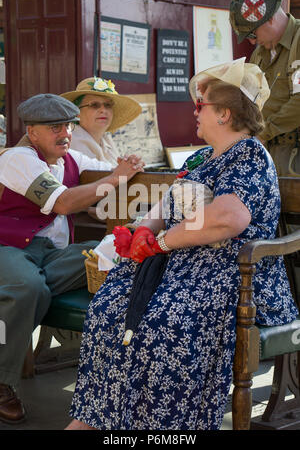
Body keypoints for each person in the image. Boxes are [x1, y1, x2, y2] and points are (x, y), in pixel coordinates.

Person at [66, 58, 298, 431]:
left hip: (230, 274)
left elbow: (228, 218)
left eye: (202, 104)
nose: (196, 110)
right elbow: (167, 205)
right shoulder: (202, 156)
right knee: (109, 309)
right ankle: (98, 419)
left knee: (162, 324)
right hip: (180, 267)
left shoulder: (250, 156)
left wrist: (161, 241)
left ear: (224, 114)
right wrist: (143, 229)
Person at [0, 93, 144, 424]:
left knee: (110, 254)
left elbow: (114, 169)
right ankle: (2, 382)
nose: (64, 132)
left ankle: (127, 375)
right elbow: (63, 202)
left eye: (68, 124)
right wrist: (115, 179)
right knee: (26, 287)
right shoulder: (18, 158)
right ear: (32, 132)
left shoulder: (72, 158)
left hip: (51, 256)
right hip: (9, 248)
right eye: (54, 127)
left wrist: (132, 166)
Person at [229, 0, 300, 176]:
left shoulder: (298, 41)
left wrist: (263, 132)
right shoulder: (259, 54)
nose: (251, 41)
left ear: (268, 20)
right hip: (266, 155)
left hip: (294, 158)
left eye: (252, 33)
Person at [61, 77, 142, 166]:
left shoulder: (106, 139)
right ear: (76, 112)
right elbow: (99, 178)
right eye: (94, 105)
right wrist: (125, 173)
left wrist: (130, 170)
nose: (103, 110)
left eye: (108, 105)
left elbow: (118, 178)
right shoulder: (73, 142)